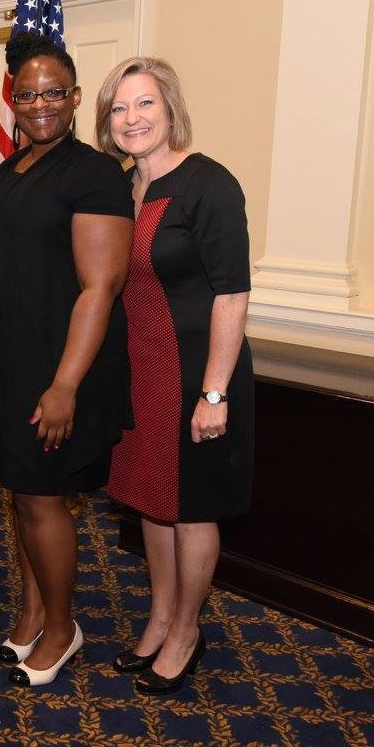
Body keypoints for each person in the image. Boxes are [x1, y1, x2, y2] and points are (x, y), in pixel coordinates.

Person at [0, 32, 134, 687]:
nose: (39, 104)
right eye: (27, 93)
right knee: (22, 499)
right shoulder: (13, 168)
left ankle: (62, 629)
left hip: (57, 371)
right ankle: (33, 612)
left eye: (53, 92)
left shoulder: (92, 175)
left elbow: (100, 287)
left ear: (76, 98)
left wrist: (64, 385)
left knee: (42, 501)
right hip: (9, 368)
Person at [95, 56, 253, 695]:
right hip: (139, 372)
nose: (131, 119)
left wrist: (214, 391)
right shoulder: (121, 186)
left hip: (195, 375)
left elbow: (232, 294)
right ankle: (160, 616)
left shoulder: (209, 184)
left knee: (191, 510)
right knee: (152, 503)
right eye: (118, 108)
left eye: (145, 104)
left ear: (170, 109)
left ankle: (188, 629)